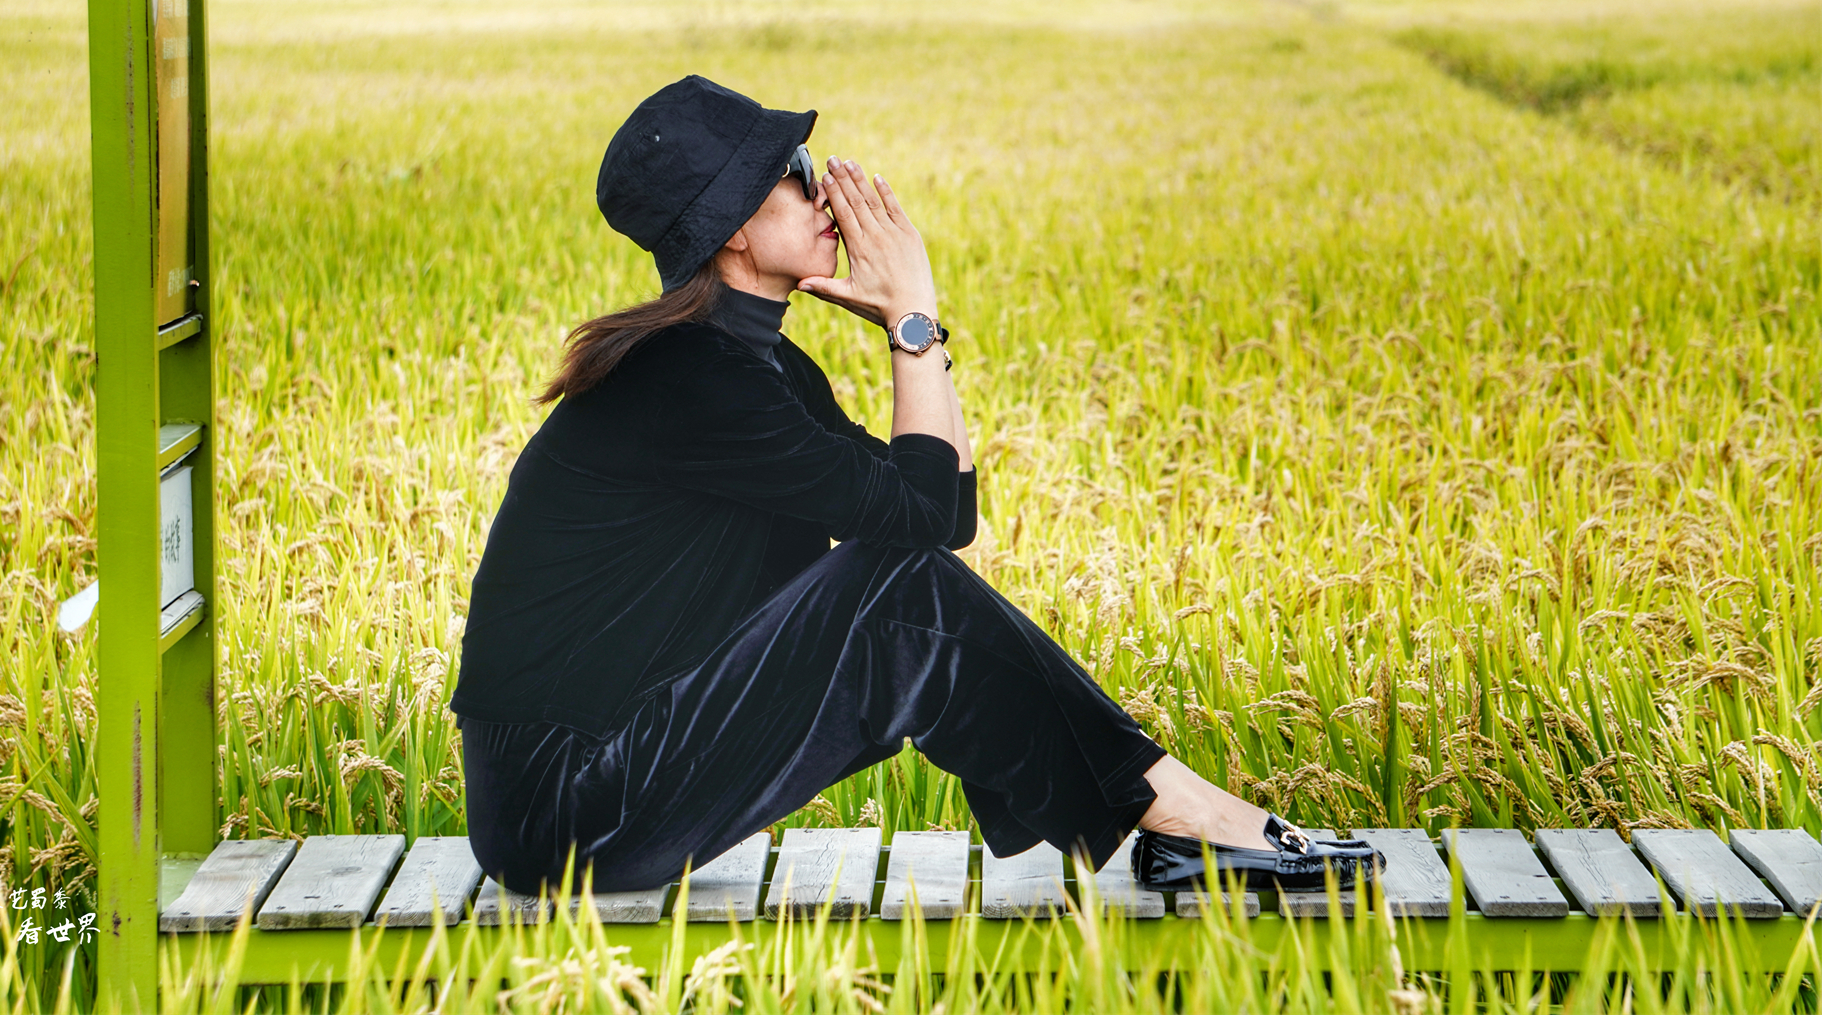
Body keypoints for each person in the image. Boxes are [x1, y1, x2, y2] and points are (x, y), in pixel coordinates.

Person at [448, 76, 1380, 898]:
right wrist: (911, 315)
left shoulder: (753, 371)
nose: (827, 191)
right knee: (890, 589)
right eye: (796, 170)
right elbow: (924, 523)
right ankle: (1173, 814)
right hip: (565, 811)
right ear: (734, 223)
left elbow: (942, 515)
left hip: (613, 779)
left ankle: (1164, 814)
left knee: (894, 576)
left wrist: (915, 325)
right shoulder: (688, 379)